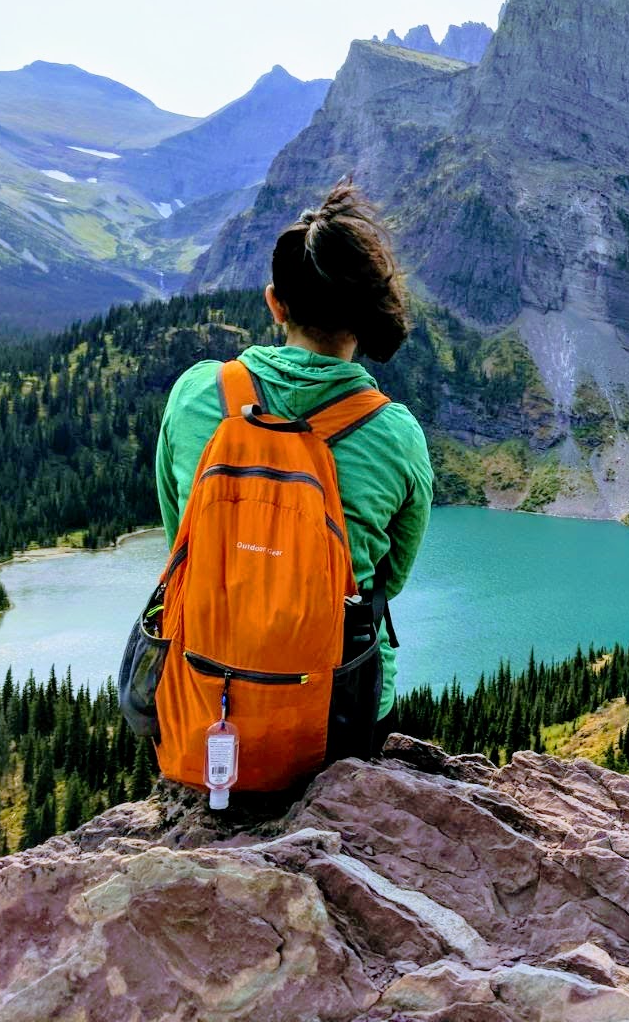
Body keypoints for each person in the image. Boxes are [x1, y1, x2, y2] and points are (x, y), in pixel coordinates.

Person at [154, 180, 433, 752]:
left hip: (201, 698)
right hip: (339, 717)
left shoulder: (196, 394)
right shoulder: (397, 435)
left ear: (275, 303)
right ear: (363, 317)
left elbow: (180, 537)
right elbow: (388, 581)